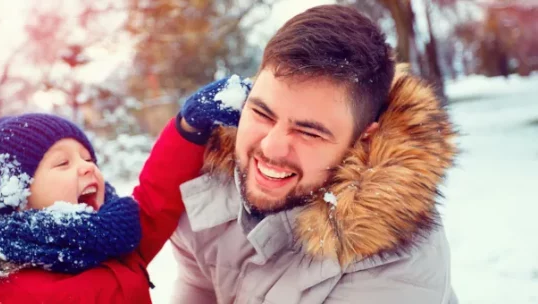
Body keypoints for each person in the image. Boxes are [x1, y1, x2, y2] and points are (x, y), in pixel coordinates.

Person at [171, 5, 458, 303]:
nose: (271, 147)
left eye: (309, 132)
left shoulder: (399, 266)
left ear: (363, 138)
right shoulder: (211, 183)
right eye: (261, 113)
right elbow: (198, 283)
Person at [0, 75, 250, 304]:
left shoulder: (109, 237)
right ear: (15, 196)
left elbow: (154, 199)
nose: (87, 167)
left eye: (88, 158)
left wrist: (187, 128)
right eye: (62, 164)